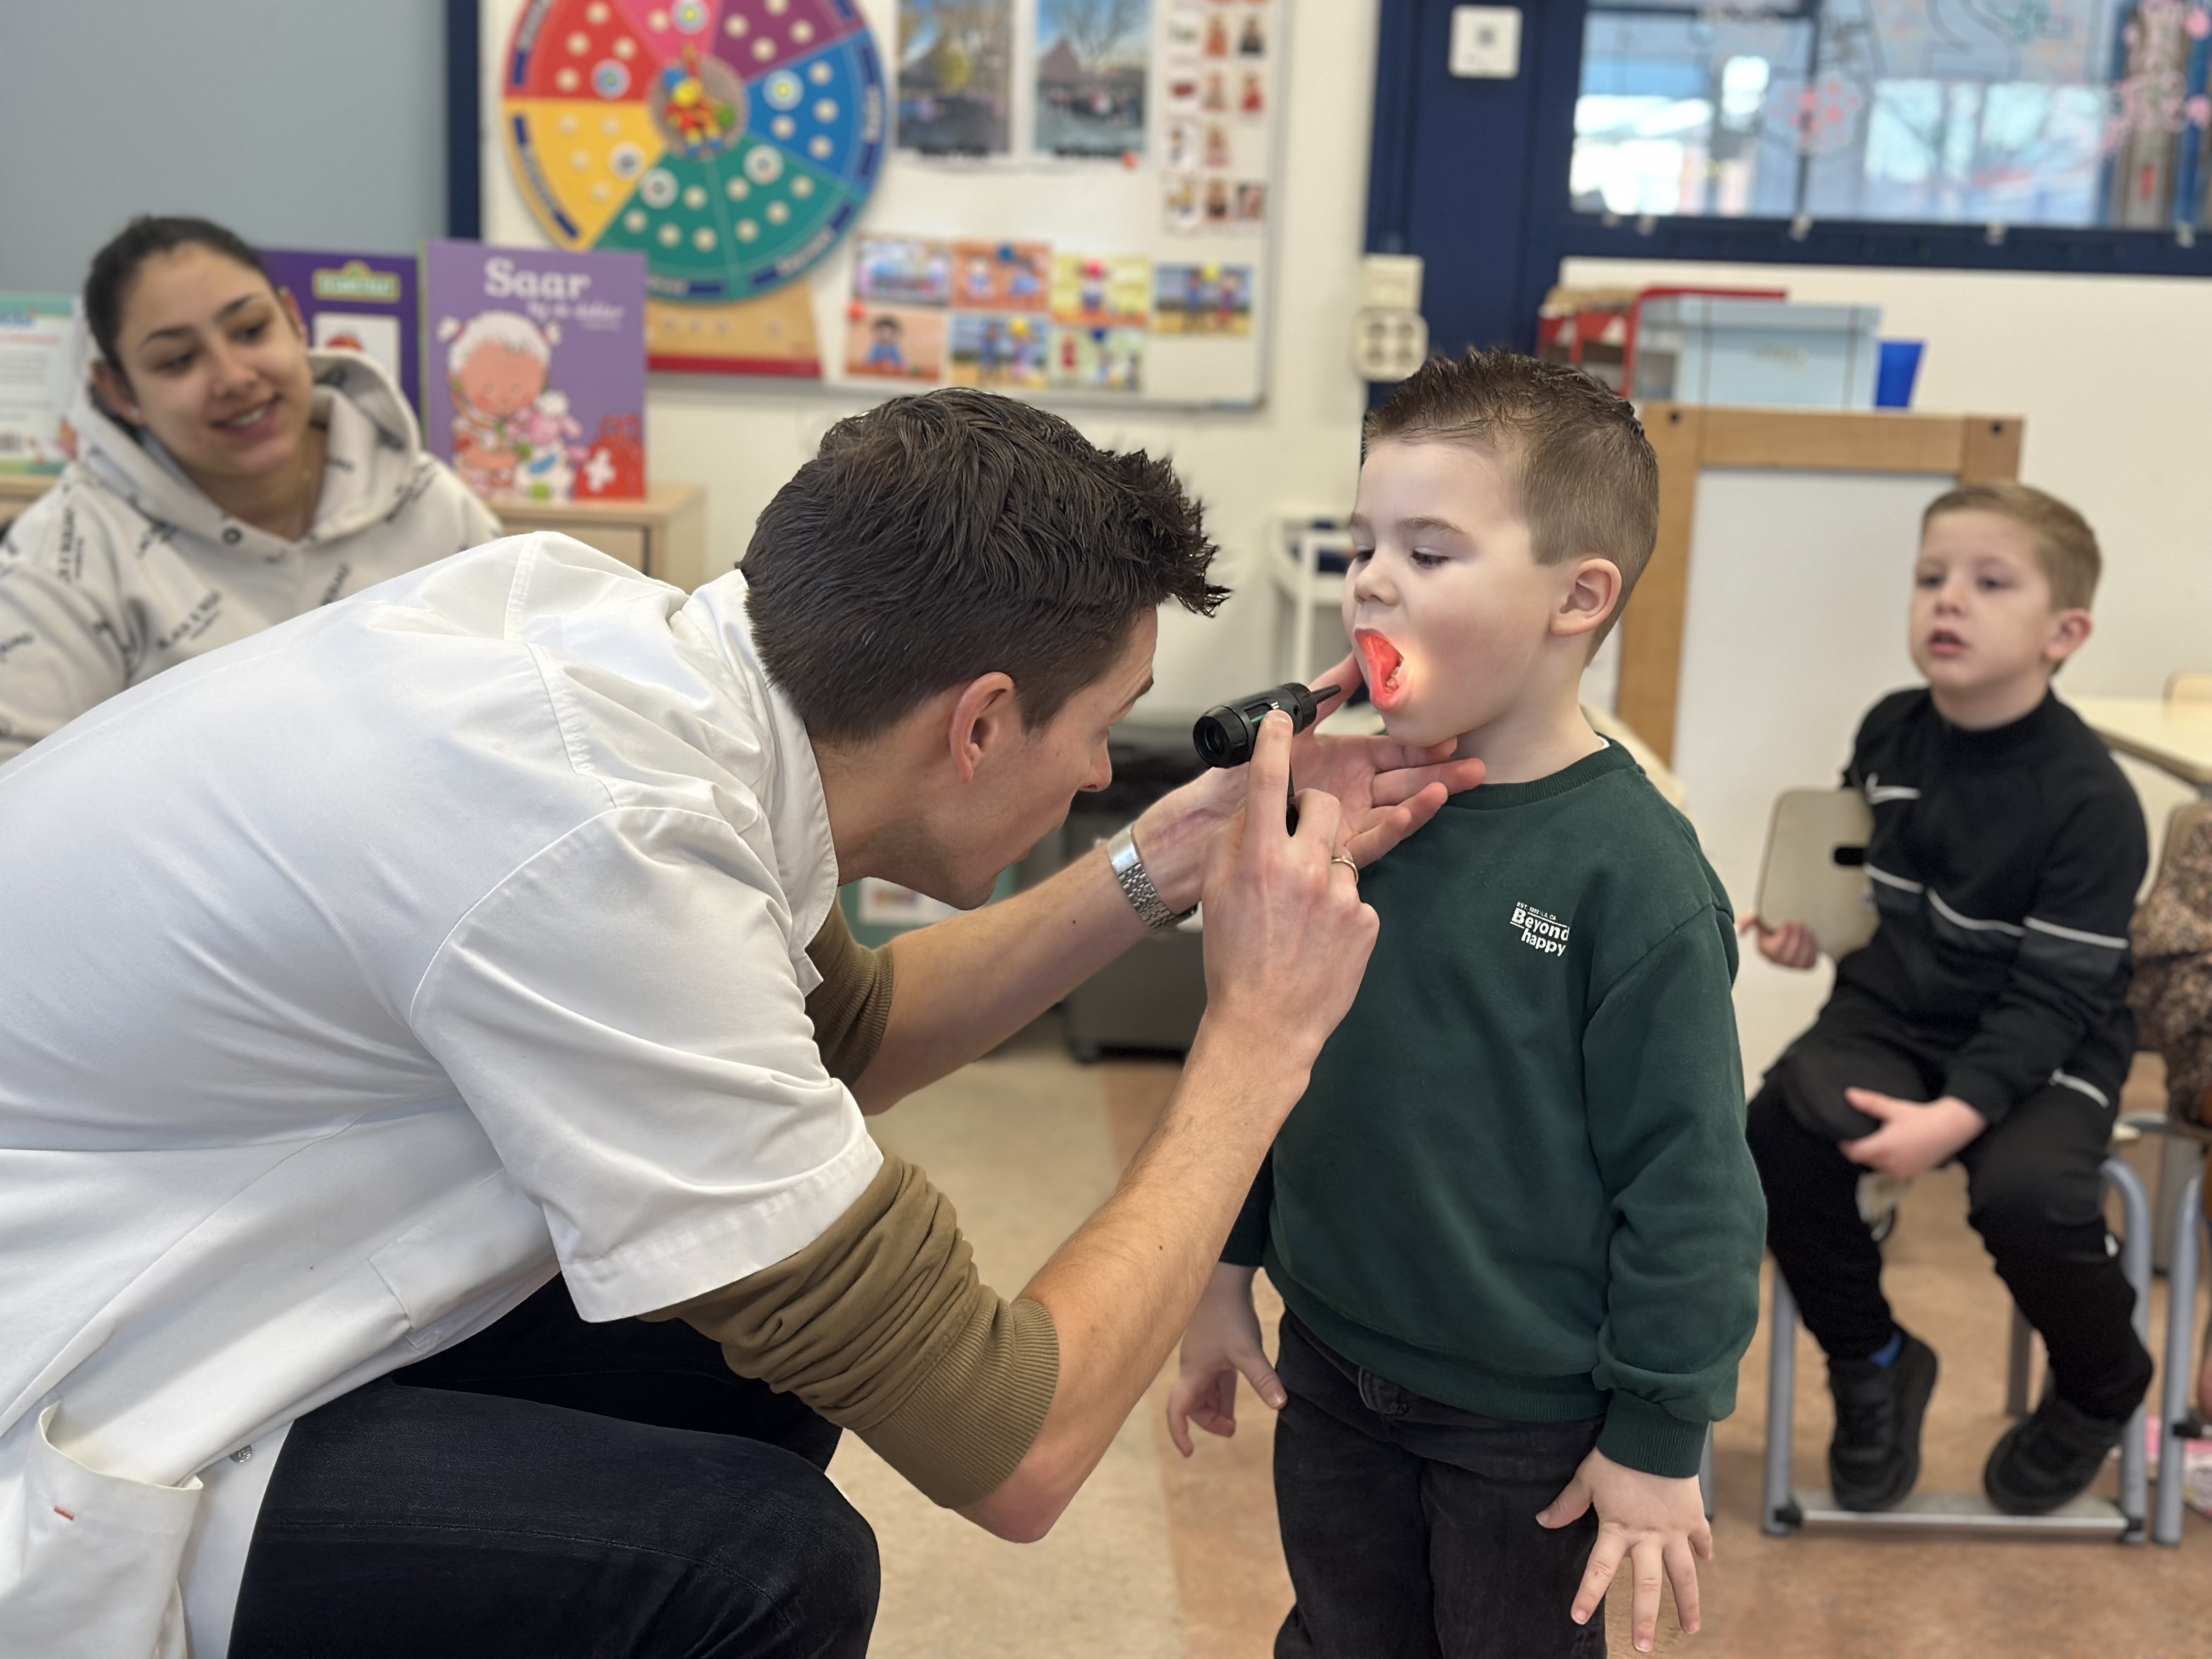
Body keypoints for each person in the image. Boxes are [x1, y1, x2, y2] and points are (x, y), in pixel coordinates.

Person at [0, 387, 1484, 1659]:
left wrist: (1162, 862)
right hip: (60, 1400)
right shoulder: (602, 848)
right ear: (975, 725)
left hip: (165, 1246)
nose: (1101, 766)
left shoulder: (638, 666)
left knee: (740, 1367)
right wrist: (1257, 1040)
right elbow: (1019, 1449)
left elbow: (854, 1034)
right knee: (768, 1562)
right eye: (1104, 724)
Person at [1168, 352, 1764, 1658]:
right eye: (1364, 544)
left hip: (1529, 1423)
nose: (1371, 579)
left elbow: (1693, 1187)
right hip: (1330, 1363)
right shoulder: (1353, 812)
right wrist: (1225, 1267)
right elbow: (1275, 1054)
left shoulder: (1639, 879)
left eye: (1429, 552)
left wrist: (1660, 1435)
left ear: (1578, 597)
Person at [1742, 482, 2152, 1516]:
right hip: (1896, 1011)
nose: (1947, 600)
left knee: (2025, 1193)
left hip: (2048, 1035)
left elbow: (2057, 991)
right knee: (1779, 1136)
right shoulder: (1889, 729)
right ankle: (1875, 1359)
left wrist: (1957, 1115)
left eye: (1987, 581)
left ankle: (2103, 1384)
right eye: (1931, 577)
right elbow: (1859, 890)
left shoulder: (2091, 799)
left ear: (2065, 632)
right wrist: (1809, 933)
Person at [0, 215, 500, 763]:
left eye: (250, 331)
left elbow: (514, 715)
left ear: (294, 323)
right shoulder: (66, 553)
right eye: (179, 361)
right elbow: (18, 796)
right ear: (120, 392)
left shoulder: (433, 505)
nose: (234, 377)